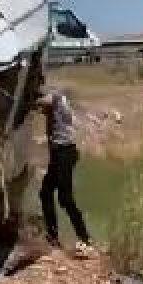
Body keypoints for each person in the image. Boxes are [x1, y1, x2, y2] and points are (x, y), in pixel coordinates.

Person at [38, 86, 94, 258]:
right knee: (45, 192)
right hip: (59, 153)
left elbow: (44, 101)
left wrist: (26, 100)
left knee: (65, 198)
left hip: (65, 152)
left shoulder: (56, 98)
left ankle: (84, 238)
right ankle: (53, 236)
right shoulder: (54, 107)